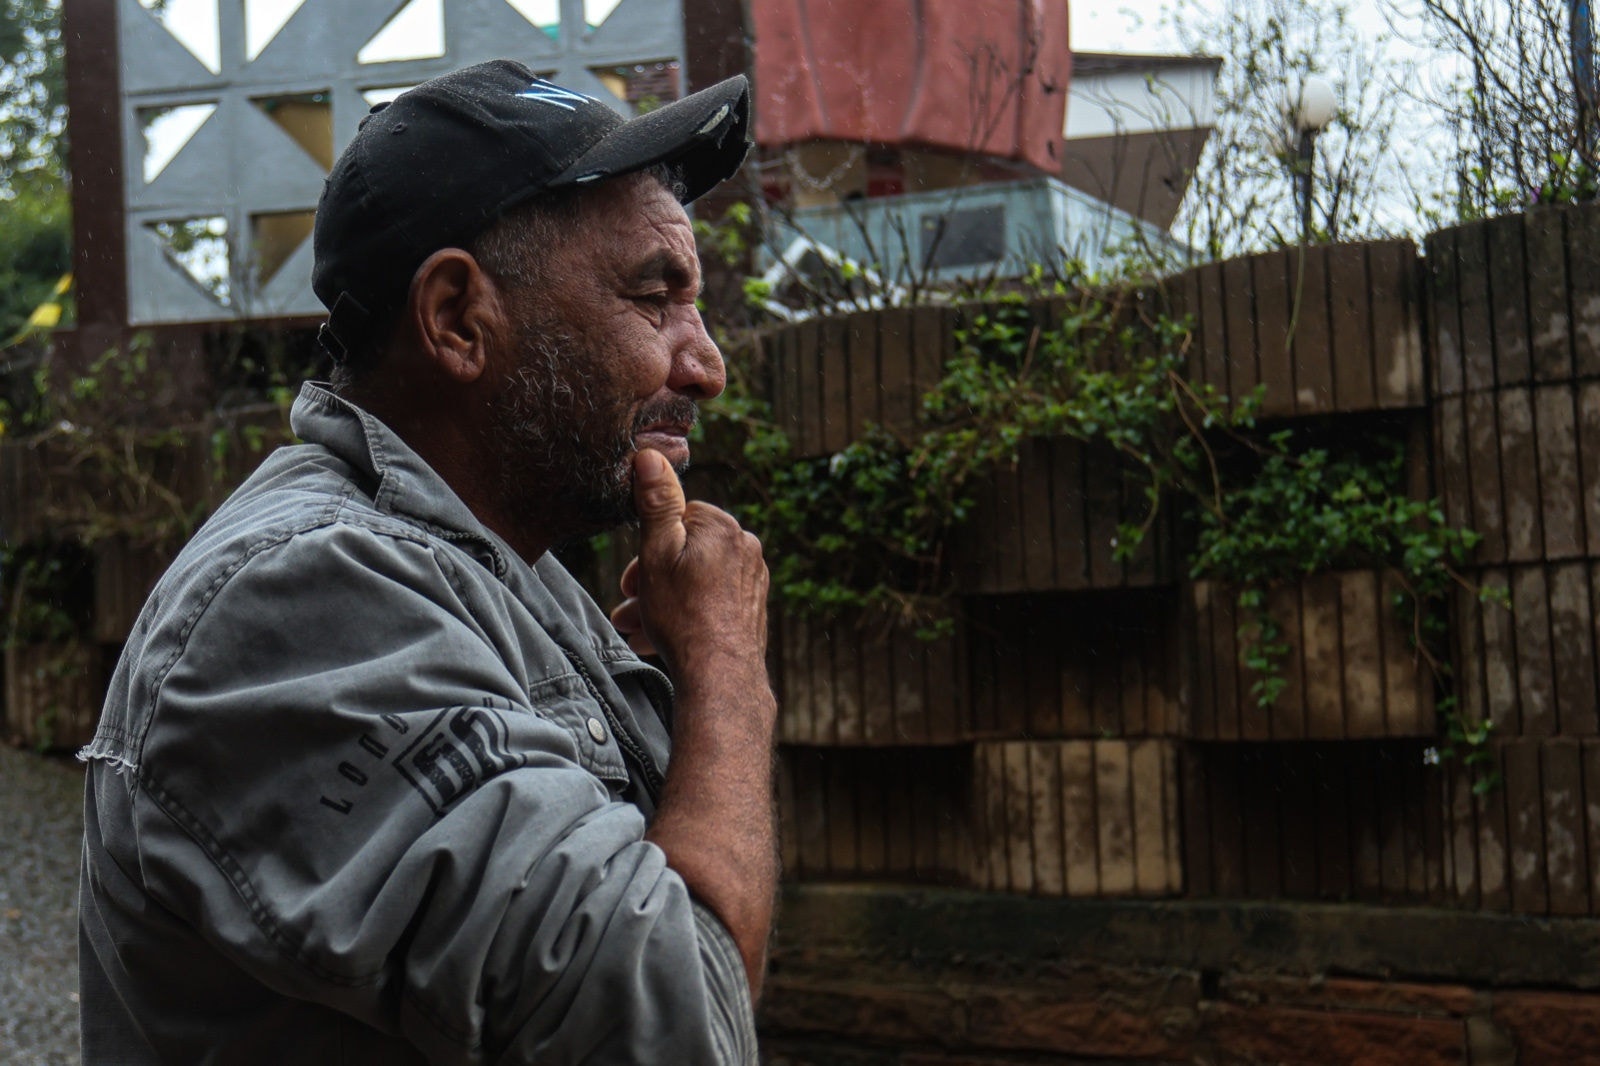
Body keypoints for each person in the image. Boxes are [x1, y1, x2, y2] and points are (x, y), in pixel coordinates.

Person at [78, 60, 776, 1064]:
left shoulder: (503, 570)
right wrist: (727, 676)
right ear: (456, 317)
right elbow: (679, 1023)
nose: (705, 364)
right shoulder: (301, 600)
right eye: (653, 296)